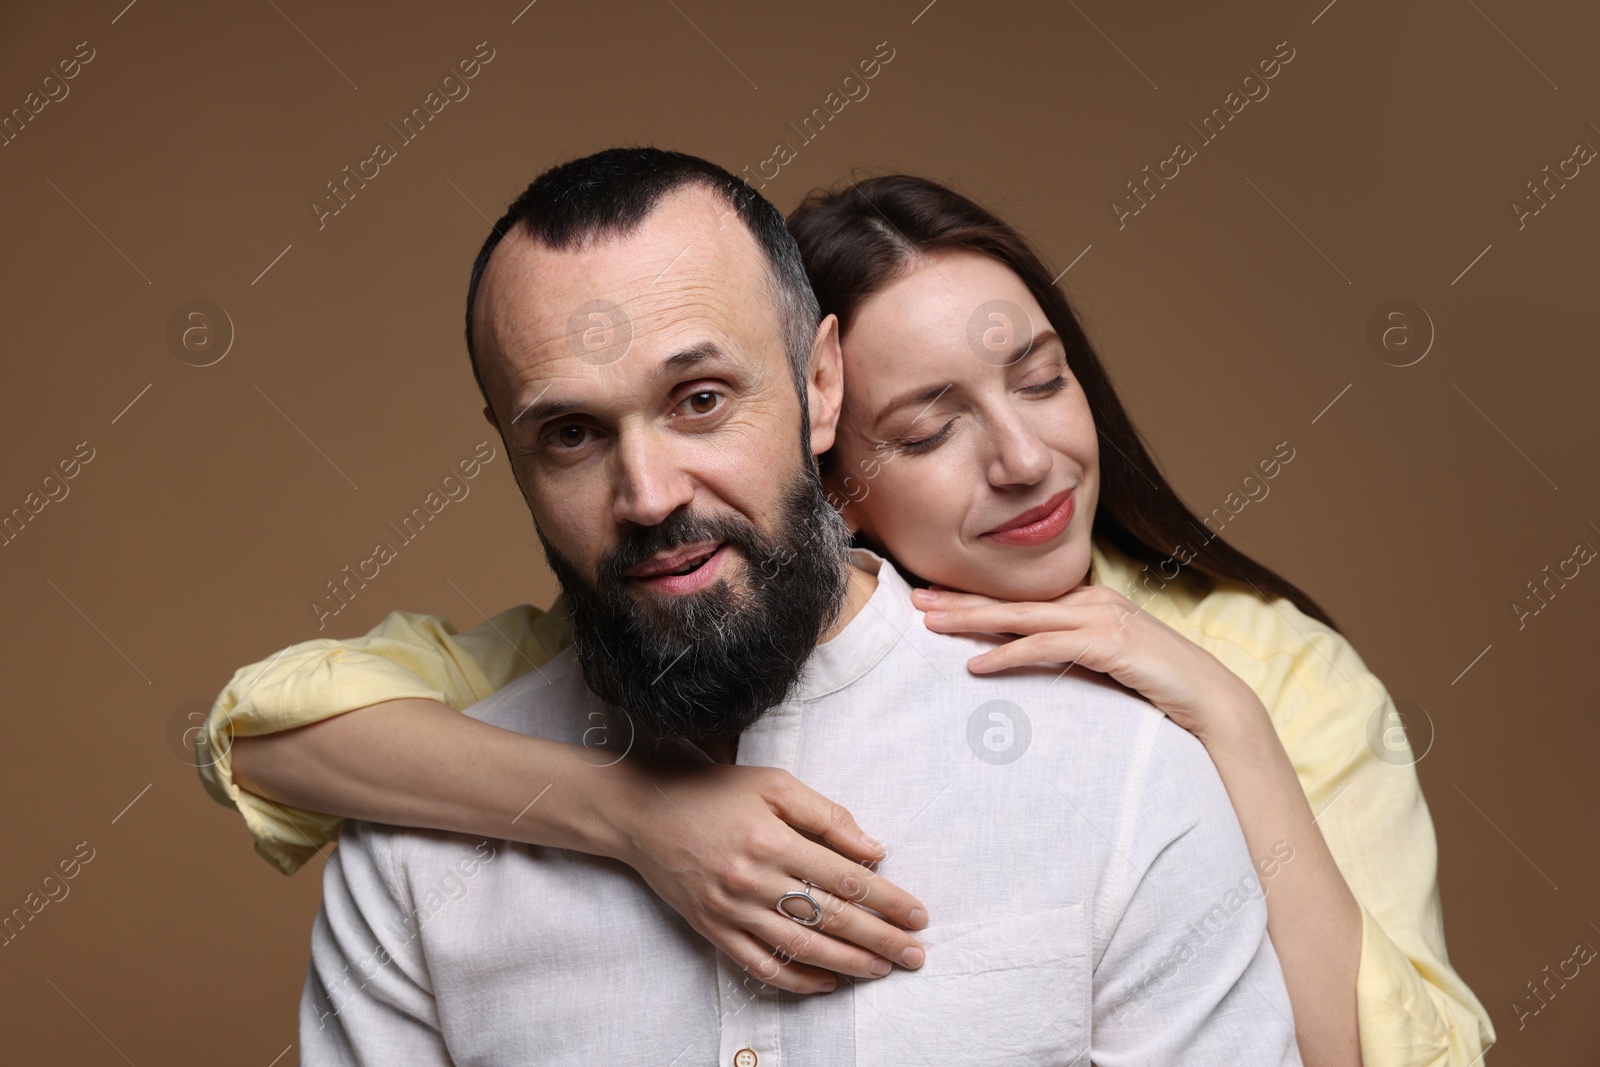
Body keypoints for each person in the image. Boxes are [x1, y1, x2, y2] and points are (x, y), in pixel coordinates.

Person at [201, 160, 1494, 1064]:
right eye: (927, 428)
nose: (1027, 462)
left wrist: (1225, 724)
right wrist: (636, 814)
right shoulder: (665, 614)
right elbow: (271, 737)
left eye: (1043, 382)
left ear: (800, 394)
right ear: (833, 467)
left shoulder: (1234, 695)